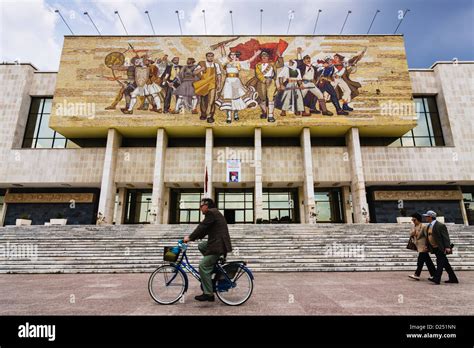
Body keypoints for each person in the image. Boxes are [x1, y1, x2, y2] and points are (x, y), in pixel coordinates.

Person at [183, 198, 233, 302]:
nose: (200, 208)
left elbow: (201, 227)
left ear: (207, 206)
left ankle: (208, 294)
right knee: (201, 246)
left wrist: (190, 237)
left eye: (201, 205)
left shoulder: (211, 213)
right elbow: (204, 231)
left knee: (203, 266)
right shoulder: (214, 213)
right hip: (217, 243)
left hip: (218, 245)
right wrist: (192, 238)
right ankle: (212, 266)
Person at [216, 50, 260, 124]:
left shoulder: (239, 63)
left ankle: (236, 114)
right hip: (228, 82)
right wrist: (222, 48)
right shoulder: (226, 63)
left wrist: (255, 55)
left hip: (236, 81)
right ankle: (229, 117)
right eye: (231, 55)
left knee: (237, 98)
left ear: (236, 56)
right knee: (228, 97)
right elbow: (223, 56)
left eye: (234, 55)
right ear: (229, 56)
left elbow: (249, 61)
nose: (233, 56)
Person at [424, 210, 459, 285]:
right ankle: (453, 278)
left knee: (440, 263)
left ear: (430, 217)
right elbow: (428, 237)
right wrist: (427, 246)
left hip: (440, 247)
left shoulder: (440, 225)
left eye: (426, 216)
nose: (425, 218)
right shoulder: (428, 226)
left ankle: (436, 279)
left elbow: (445, 237)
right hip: (434, 247)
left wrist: (447, 247)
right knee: (445, 263)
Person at [193, 52, 222, 123]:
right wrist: (201, 69)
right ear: (206, 57)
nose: (210, 58)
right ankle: (203, 114)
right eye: (209, 56)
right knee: (203, 100)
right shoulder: (202, 64)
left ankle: (210, 116)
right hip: (204, 84)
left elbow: (219, 75)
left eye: (212, 56)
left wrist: (219, 84)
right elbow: (194, 72)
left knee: (211, 101)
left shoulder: (216, 65)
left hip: (212, 84)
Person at [408, 213, 436, 280]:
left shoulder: (423, 226)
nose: (413, 221)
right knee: (428, 262)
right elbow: (411, 234)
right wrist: (412, 234)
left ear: (417, 219)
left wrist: (427, 246)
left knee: (420, 261)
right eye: (412, 219)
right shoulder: (414, 227)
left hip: (424, 247)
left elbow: (427, 237)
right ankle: (435, 274)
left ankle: (417, 274)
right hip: (418, 246)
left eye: (414, 219)